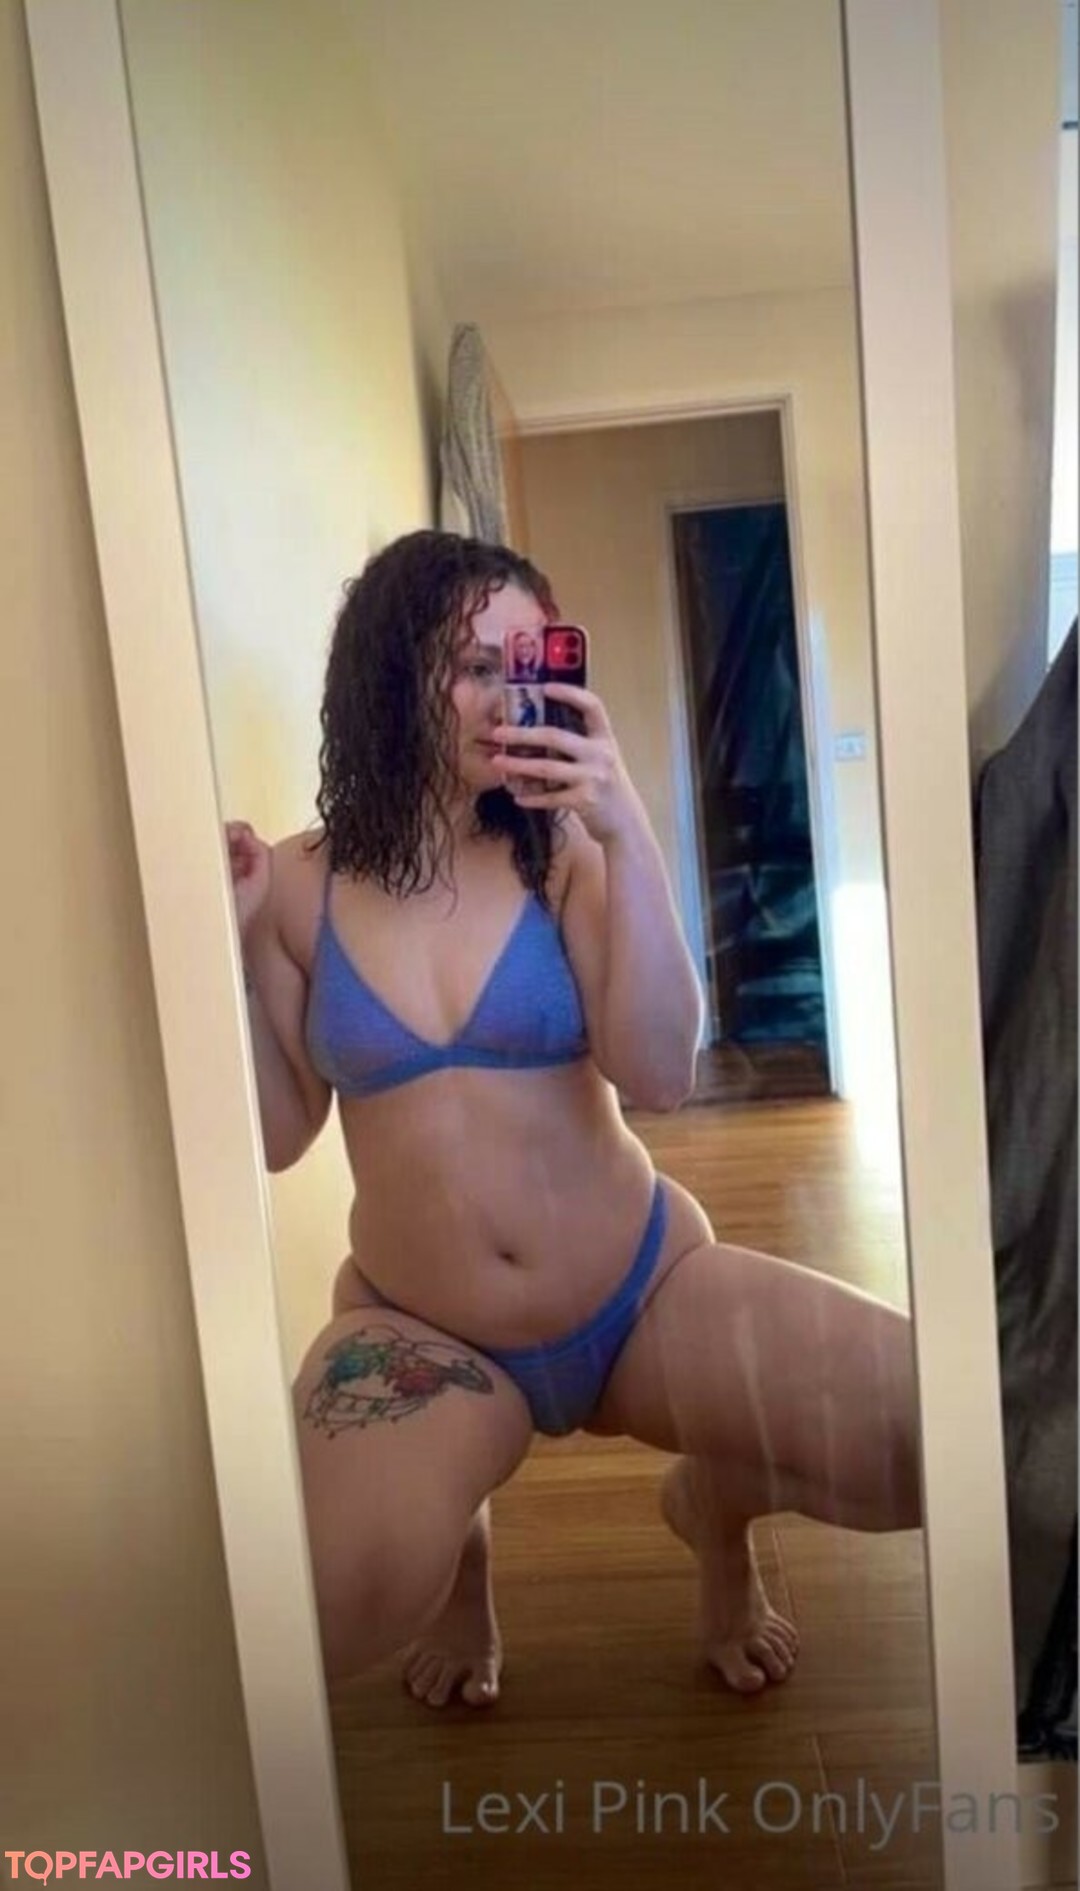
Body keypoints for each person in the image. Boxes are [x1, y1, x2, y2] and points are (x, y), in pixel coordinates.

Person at [228, 529, 920, 1710]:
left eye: (527, 661)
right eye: (472, 666)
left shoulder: (563, 856)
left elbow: (658, 1071)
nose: (510, 696)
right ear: (388, 677)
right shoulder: (295, 888)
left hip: (640, 1289)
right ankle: (464, 1549)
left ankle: (715, 1511)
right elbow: (280, 1133)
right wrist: (235, 947)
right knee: (330, 1601)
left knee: (923, 1434)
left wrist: (623, 824)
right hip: (426, 1331)